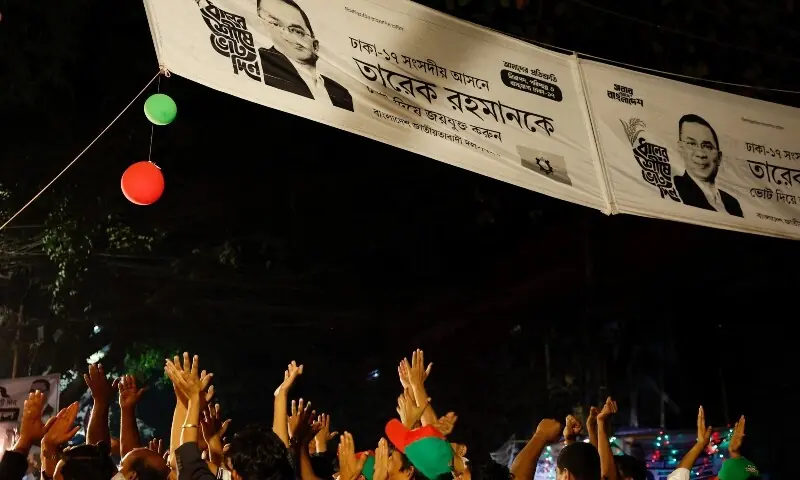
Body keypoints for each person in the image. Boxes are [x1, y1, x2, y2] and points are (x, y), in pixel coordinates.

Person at [255, 0, 354, 111]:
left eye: (298, 32)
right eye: (276, 25)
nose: (288, 36)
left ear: (315, 45)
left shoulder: (341, 94)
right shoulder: (261, 63)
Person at [673, 114, 743, 217]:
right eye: (692, 144)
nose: (701, 154)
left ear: (719, 157)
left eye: (707, 147)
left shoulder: (733, 203)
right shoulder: (676, 188)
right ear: (680, 149)